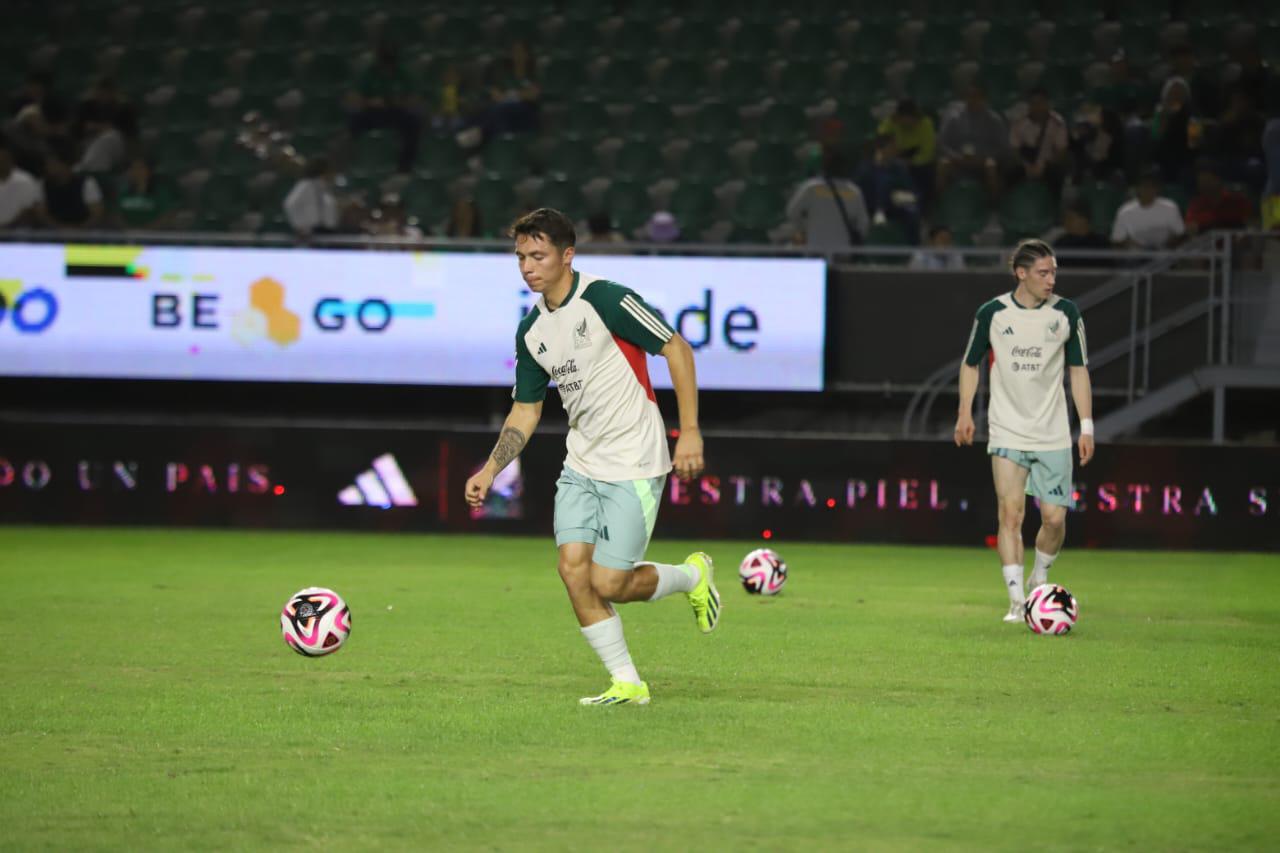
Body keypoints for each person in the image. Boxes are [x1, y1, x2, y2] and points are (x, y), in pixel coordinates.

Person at [463, 208, 717, 707]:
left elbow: (677, 349)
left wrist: (689, 432)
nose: (528, 267)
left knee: (610, 582)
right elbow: (526, 409)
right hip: (581, 463)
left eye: (538, 255)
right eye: (521, 257)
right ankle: (627, 682)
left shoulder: (606, 299)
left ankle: (693, 576)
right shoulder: (531, 330)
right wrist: (491, 468)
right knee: (572, 570)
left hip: (636, 460)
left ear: (567, 256)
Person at [955, 239, 1094, 622]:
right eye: (1043, 273)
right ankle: (1017, 601)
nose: (1051, 280)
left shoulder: (1066, 313)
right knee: (1011, 514)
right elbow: (971, 364)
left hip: (1052, 433)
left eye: (1054, 273)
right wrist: (964, 412)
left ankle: (1040, 575)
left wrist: (1087, 427)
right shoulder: (992, 313)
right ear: (1021, 273)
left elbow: (1078, 371)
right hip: (1006, 429)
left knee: (1053, 518)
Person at [347, 43, 421, 173]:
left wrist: (402, 101)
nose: (387, 67)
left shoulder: (402, 73)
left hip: (396, 112)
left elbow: (414, 99)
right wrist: (371, 102)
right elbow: (354, 98)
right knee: (354, 120)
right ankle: (361, 160)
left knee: (414, 123)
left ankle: (404, 166)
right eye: (385, 62)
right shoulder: (370, 73)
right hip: (373, 113)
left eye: (390, 62)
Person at [786, 147, 869, 249]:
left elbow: (792, 212)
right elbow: (863, 224)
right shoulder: (854, 191)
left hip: (815, 248)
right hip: (842, 252)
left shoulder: (811, 188)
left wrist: (805, 229)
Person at [937, 84, 1007, 195]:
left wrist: (985, 157)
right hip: (959, 161)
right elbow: (942, 143)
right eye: (969, 96)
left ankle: (994, 205)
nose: (972, 100)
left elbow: (1002, 146)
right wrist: (956, 157)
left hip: (983, 162)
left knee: (991, 165)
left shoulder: (994, 119)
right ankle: (941, 202)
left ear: (984, 99)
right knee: (943, 164)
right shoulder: (954, 117)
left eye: (976, 96)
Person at [855, 133, 920, 243]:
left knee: (912, 213)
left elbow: (911, 190)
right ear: (881, 149)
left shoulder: (899, 168)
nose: (896, 150)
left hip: (896, 207)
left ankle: (912, 252)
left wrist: (905, 197)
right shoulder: (865, 169)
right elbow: (858, 192)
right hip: (871, 208)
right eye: (892, 147)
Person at [1007, 87, 1069, 197]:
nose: (1037, 107)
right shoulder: (1019, 122)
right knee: (1010, 172)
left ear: (1048, 104)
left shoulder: (1058, 123)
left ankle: (1054, 209)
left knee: (1057, 173)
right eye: (1033, 103)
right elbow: (1014, 150)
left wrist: (1043, 166)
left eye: (1041, 102)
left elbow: (1061, 151)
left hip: (1048, 164)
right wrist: (1026, 166)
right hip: (1025, 163)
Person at [876, 99, 936, 206]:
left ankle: (921, 203)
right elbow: (882, 136)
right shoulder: (894, 121)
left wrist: (910, 161)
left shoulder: (925, 124)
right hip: (897, 157)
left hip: (918, 162)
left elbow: (927, 153)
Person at [1110, 169, 1185, 249]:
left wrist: (1168, 243)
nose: (1148, 190)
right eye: (1145, 186)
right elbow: (1117, 240)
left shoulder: (1170, 207)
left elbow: (1180, 234)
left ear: (1157, 188)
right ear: (1138, 188)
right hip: (1135, 257)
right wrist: (1131, 244)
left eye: (1152, 186)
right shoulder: (1125, 211)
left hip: (1164, 255)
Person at [36, 141, 104, 228]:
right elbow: (41, 215)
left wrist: (79, 230)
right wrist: (60, 228)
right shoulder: (42, 184)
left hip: (83, 233)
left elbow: (97, 214)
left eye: (52, 163)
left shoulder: (87, 183)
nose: (48, 167)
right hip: (54, 233)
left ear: (65, 164)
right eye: (47, 163)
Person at [1184, 160, 1253, 236]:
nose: (1203, 184)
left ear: (1219, 180)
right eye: (1200, 181)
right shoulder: (1196, 205)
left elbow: (1250, 226)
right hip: (1206, 246)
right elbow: (1190, 227)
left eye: (1207, 180)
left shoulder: (1237, 201)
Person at [283, 156, 340, 237]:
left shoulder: (325, 188)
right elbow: (290, 204)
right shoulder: (306, 185)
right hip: (311, 230)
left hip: (328, 230)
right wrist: (300, 226)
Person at [115, 155, 176, 229]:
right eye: (133, 168)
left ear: (149, 171)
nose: (137, 172)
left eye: (140, 168)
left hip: (153, 237)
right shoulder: (123, 192)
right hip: (127, 236)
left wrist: (146, 230)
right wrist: (129, 229)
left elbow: (167, 216)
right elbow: (117, 215)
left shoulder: (161, 192)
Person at [0, 137, 41, 228]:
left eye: (2, 160)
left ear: (9, 160)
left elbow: (29, 210)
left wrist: (7, 227)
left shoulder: (25, 180)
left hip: (18, 229)